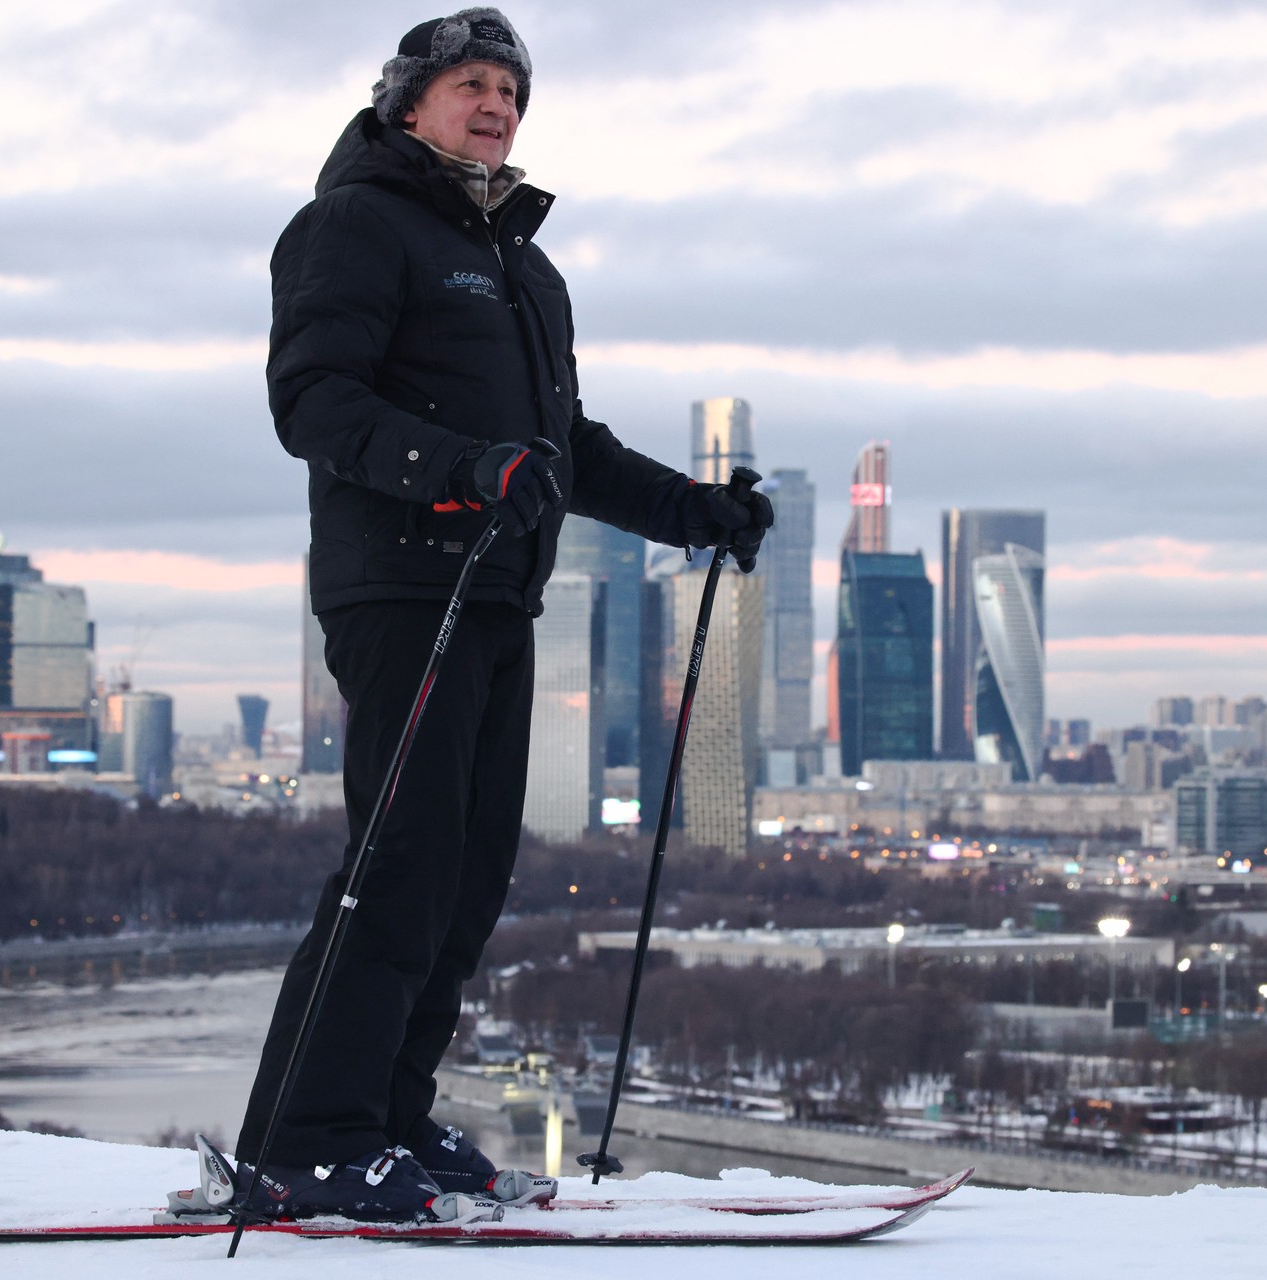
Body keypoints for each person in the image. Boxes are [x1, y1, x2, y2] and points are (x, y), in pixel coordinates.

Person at [228, 8, 772, 1225]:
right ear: (404, 104)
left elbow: (562, 449)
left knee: (467, 874)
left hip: (493, 595)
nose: (495, 106)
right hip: (402, 582)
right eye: (469, 83)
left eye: (511, 91)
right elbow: (314, 402)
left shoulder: (526, 268)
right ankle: (309, 1141)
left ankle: (387, 1113)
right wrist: (462, 468)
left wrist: (693, 511)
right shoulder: (354, 225)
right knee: (398, 863)